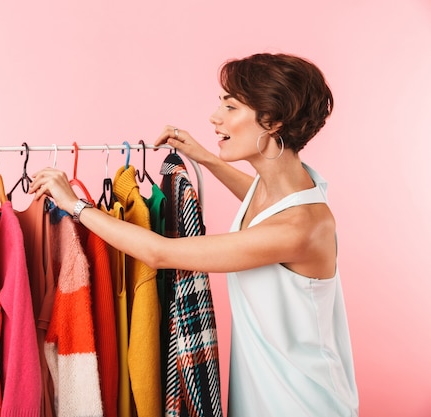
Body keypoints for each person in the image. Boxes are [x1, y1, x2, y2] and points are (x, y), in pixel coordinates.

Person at [28, 52, 359, 417]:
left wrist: (76, 206)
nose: (214, 117)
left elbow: (161, 254)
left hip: (300, 402)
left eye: (231, 107)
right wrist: (207, 159)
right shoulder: (288, 191)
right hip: (265, 393)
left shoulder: (300, 228)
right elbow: (260, 200)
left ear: (274, 122)